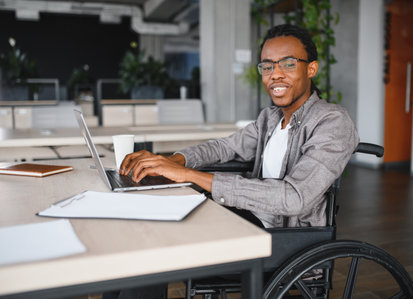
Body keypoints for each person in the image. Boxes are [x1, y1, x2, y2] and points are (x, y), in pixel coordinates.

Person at [103, 23, 358, 298]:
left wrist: (191, 175)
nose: (276, 75)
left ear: (311, 69)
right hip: (250, 222)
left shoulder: (332, 122)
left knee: (159, 244)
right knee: (148, 228)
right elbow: (224, 148)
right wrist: (173, 160)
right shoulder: (270, 118)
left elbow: (294, 197)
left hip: (285, 244)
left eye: (288, 64)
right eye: (268, 66)